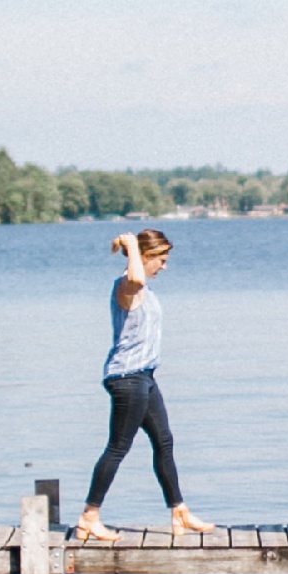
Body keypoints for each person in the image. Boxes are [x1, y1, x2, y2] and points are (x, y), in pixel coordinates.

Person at [78, 229, 212, 544]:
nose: (164, 267)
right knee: (118, 447)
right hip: (126, 378)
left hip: (145, 377)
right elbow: (136, 279)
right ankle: (89, 516)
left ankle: (179, 510)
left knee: (164, 442)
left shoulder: (146, 291)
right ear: (146, 257)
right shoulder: (127, 287)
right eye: (160, 260)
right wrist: (130, 246)